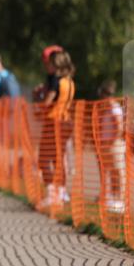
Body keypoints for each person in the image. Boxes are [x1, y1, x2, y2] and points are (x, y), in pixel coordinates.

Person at [39, 49, 76, 208]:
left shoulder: (56, 81)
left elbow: (48, 101)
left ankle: (51, 192)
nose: (47, 66)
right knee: (59, 159)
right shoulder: (69, 81)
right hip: (66, 121)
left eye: (50, 64)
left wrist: (39, 103)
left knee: (43, 158)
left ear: (56, 65)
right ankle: (60, 193)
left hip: (53, 122)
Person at [96, 80, 126, 214]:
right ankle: (111, 197)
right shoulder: (106, 110)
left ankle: (120, 200)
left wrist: (112, 142)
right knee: (108, 172)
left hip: (114, 145)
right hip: (106, 144)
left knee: (117, 172)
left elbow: (119, 127)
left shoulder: (114, 108)